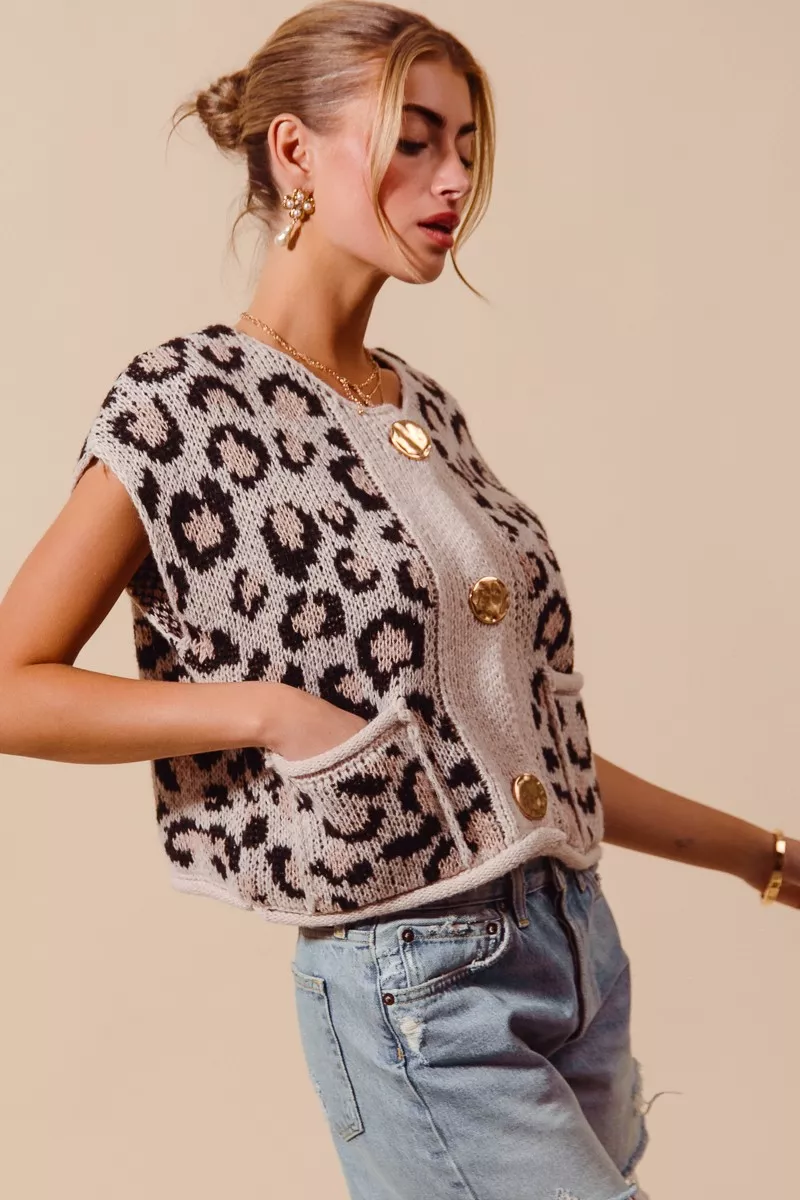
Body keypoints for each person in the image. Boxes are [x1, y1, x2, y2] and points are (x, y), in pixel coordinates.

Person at [0, 3, 795, 1198]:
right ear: (293, 151)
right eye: (413, 140)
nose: (453, 179)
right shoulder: (184, 404)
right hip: (418, 984)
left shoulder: (423, 412)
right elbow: (11, 685)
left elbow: (524, 751)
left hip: (573, 954)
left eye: (465, 146)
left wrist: (762, 857)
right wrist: (266, 711)